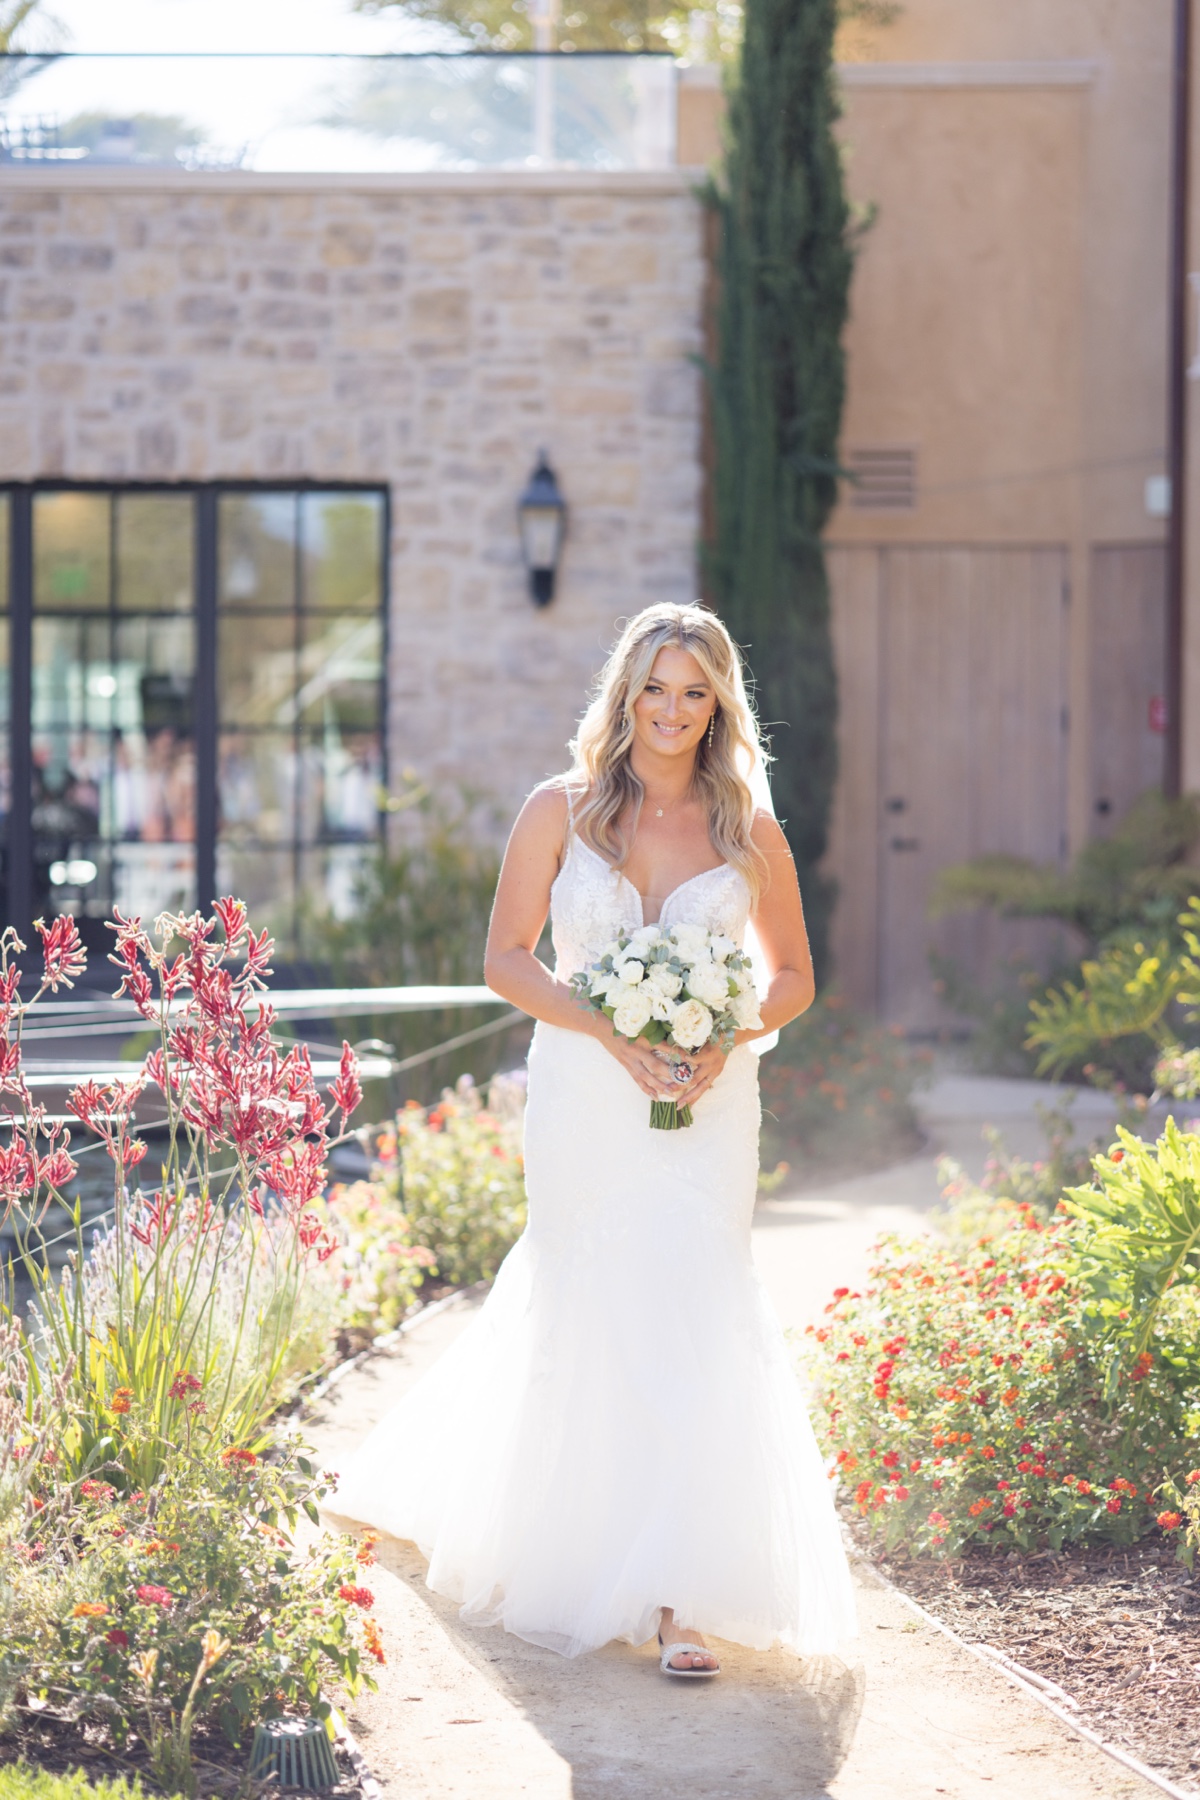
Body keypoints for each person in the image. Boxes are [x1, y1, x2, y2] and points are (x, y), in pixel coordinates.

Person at [326, 602, 857, 1677]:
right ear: (625, 693)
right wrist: (610, 1026)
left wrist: (727, 1037)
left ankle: (680, 1597)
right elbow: (508, 959)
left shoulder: (749, 826)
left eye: (694, 692)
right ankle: (576, 1540)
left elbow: (795, 976)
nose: (671, 711)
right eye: (655, 688)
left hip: (709, 1106)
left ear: (719, 706)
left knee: (695, 1303)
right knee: (593, 1299)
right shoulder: (557, 812)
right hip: (584, 1096)